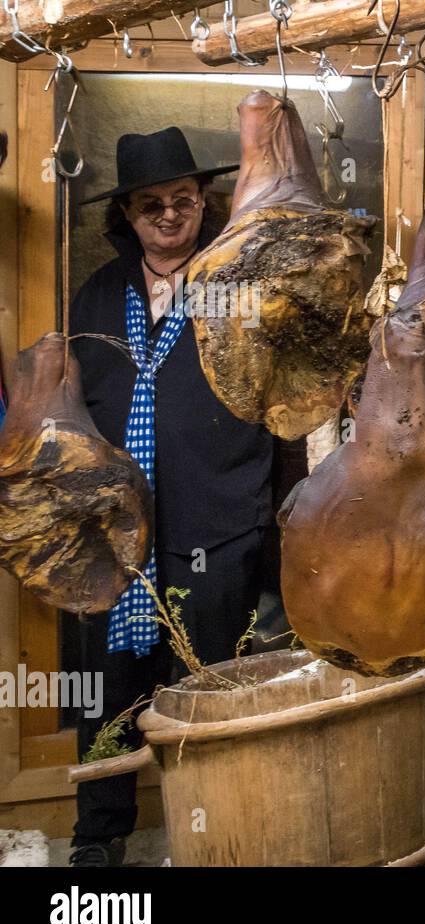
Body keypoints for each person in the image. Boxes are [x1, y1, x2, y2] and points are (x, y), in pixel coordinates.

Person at [66, 127, 278, 866]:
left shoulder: (237, 288)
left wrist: (270, 528)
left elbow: (274, 400)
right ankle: (99, 838)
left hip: (214, 529)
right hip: (112, 537)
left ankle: (214, 838)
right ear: (125, 213)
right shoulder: (95, 297)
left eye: (181, 200)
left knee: (208, 696)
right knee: (109, 691)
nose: (167, 215)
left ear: (204, 203)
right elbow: (73, 410)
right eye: (150, 203)